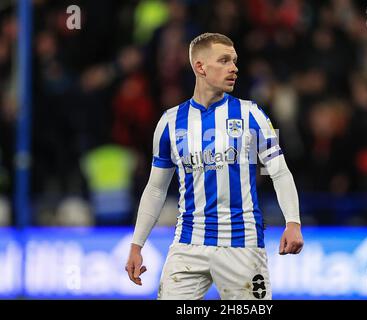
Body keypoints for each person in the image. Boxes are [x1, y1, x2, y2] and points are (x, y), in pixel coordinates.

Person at [125, 33, 304, 300]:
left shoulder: (252, 114)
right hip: (188, 244)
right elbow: (155, 189)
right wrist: (137, 244)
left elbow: (278, 170)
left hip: (242, 245)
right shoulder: (169, 122)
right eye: (224, 60)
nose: (234, 68)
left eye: (234, 60)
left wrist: (293, 222)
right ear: (200, 67)